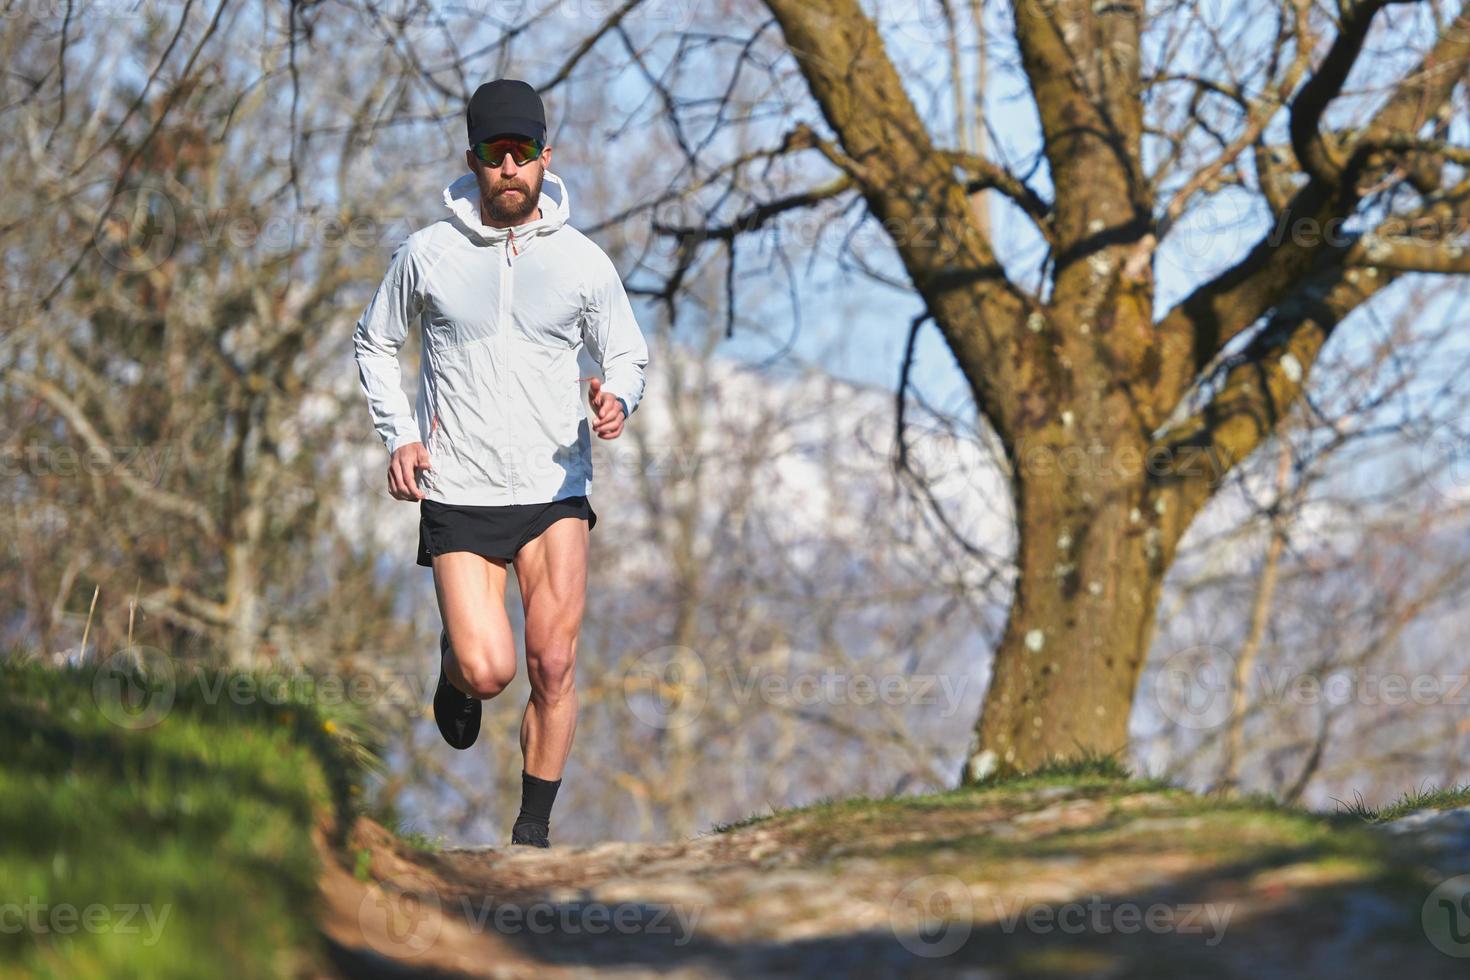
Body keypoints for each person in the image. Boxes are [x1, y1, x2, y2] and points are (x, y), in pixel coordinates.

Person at [351, 78, 650, 848]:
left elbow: (626, 351)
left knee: (552, 664)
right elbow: (375, 342)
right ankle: (455, 665)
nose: (510, 167)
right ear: (474, 160)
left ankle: (531, 837)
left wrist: (617, 395)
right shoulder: (428, 252)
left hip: (555, 488)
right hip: (460, 488)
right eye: (495, 153)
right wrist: (401, 436)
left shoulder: (582, 262)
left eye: (523, 153)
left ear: (546, 158)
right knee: (491, 672)